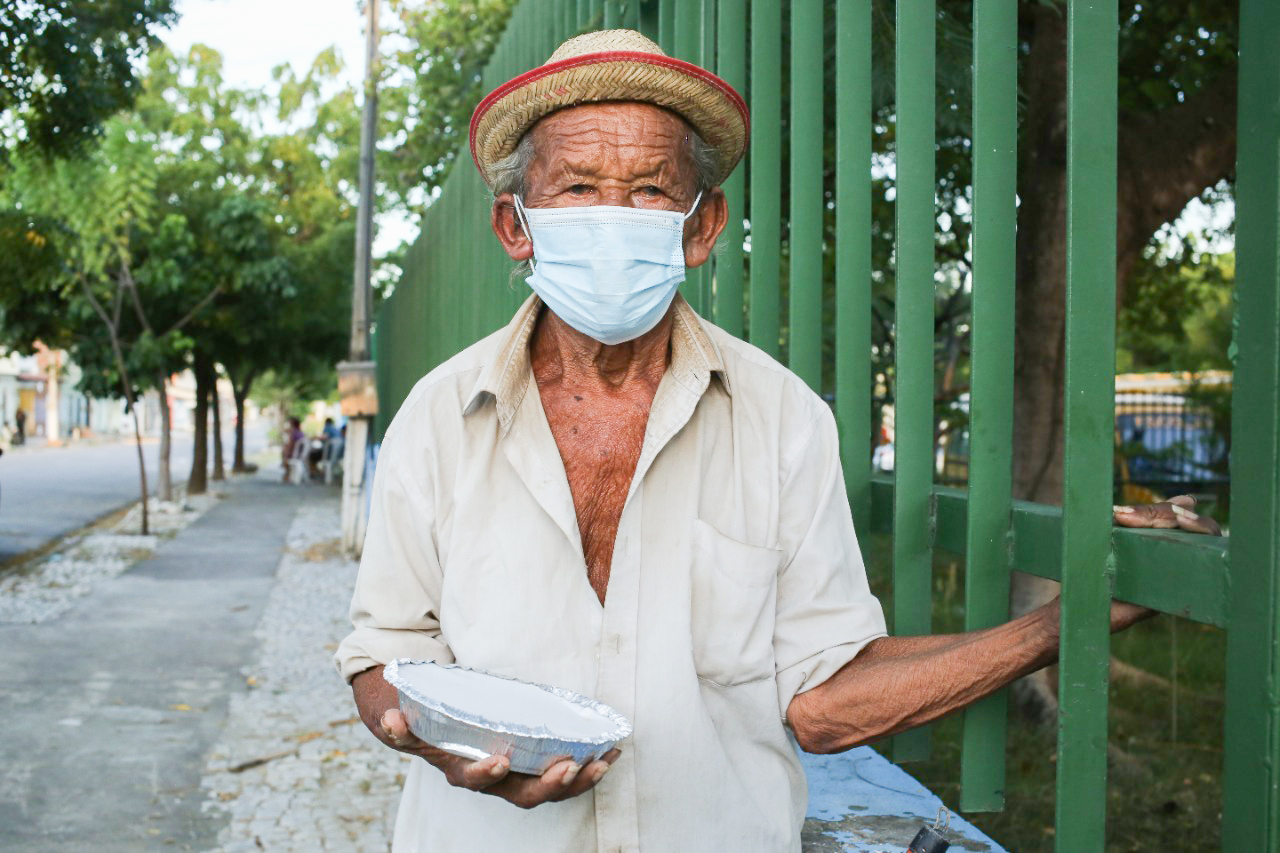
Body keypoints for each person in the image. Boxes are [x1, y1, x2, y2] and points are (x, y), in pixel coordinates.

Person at [336, 30, 1192, 852]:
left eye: (647, 191)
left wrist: (1058, 625)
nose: (613, 217)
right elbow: (384, 658)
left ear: (703, 228)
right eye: (577, 188)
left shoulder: (783, 420)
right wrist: (439, 748)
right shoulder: (439, 415)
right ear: (516, 227)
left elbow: (822, 701)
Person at [281, 416, 305, 483]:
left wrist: (286, 454)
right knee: (284, 451)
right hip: (301, 454)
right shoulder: (301, 433)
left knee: (284, 453)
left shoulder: (294, 433)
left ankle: (287, 473)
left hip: (295, 454)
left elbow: (290, 446)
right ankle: (288, 473)